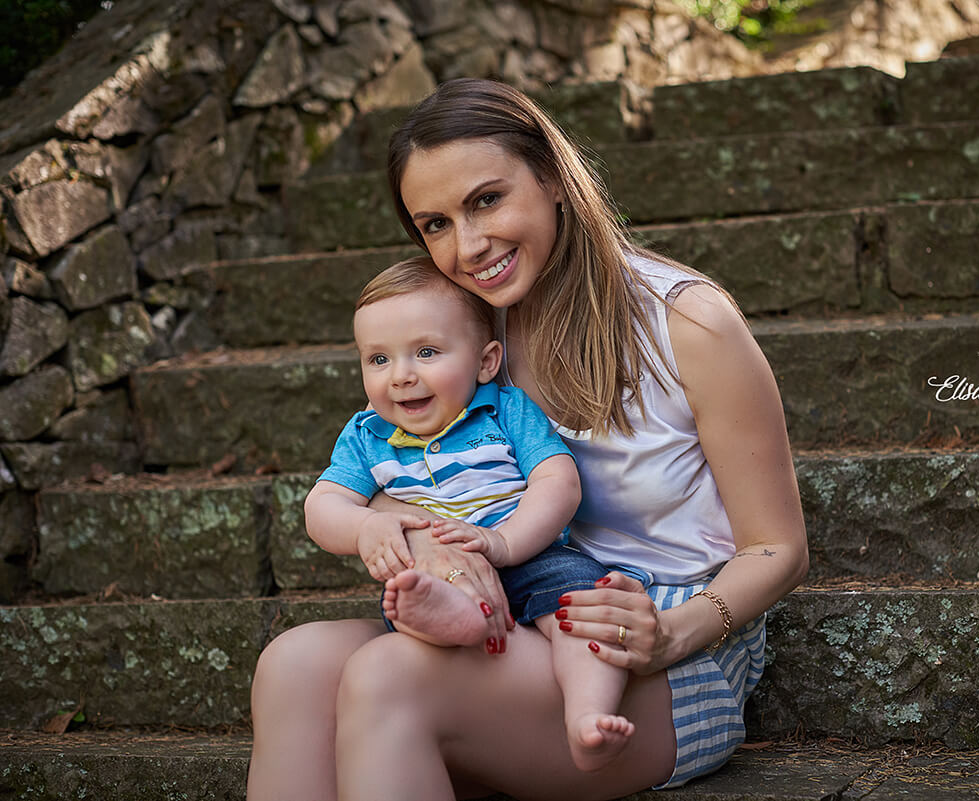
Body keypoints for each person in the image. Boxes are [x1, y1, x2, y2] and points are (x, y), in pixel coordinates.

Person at [247, 77, 809, 801]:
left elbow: (779, 549)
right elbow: (397, 478)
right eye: (435, 223)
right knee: (291, 663)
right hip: (519, 608)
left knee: (387, 676)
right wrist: (433, 549)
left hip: (660, 648)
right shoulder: (470, 330)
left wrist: (673, 631)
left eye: (485, 200)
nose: (469, 245)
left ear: (551, 177)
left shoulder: (688, 322)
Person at [305, 256, 637, 770]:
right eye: (378, 360)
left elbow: (558, 481)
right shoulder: (366, 435)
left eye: (427, 352)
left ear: (486, 362)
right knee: (411, 597)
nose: (401, 377)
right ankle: (454, 621)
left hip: (533, 557)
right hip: (435, 576)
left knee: (581, 610)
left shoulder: (505, 409)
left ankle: (587, 714)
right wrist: (368, 524)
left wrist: (506, 541)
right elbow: (322, 507)